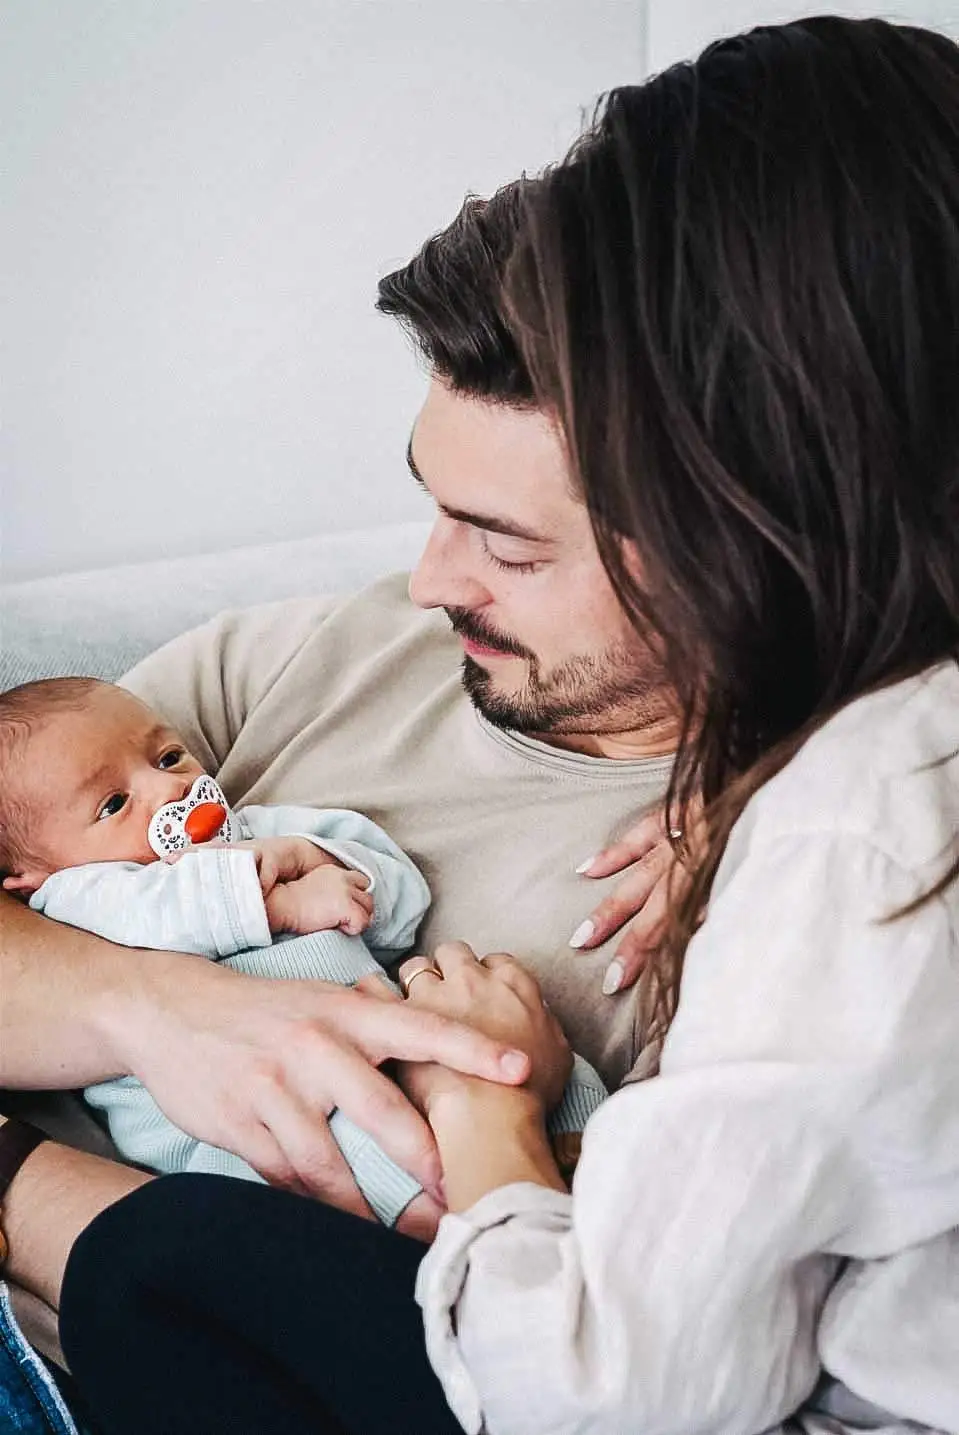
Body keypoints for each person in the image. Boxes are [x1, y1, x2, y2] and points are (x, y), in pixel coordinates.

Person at [3, 12, 958, 1434]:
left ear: (739, 523)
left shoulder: (797, 876)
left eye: (507, 545)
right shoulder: (309, 652)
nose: (428, 580)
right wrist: (159, 1002)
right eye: (431, 501)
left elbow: (614, 1370)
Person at [0, 677, 605, 1230]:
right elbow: (155, 912)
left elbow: (400, 895)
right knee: (366, 1144)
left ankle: (590, 1150)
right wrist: (273, 903)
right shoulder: (74, 902)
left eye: (167, 757)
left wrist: (329, 864)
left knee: (521, 1053)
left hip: (377, 1044)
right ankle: (443, 1223)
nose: (168, 789)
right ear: (24, 879)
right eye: (112, 805)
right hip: (240, 1124)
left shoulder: (261, 831)